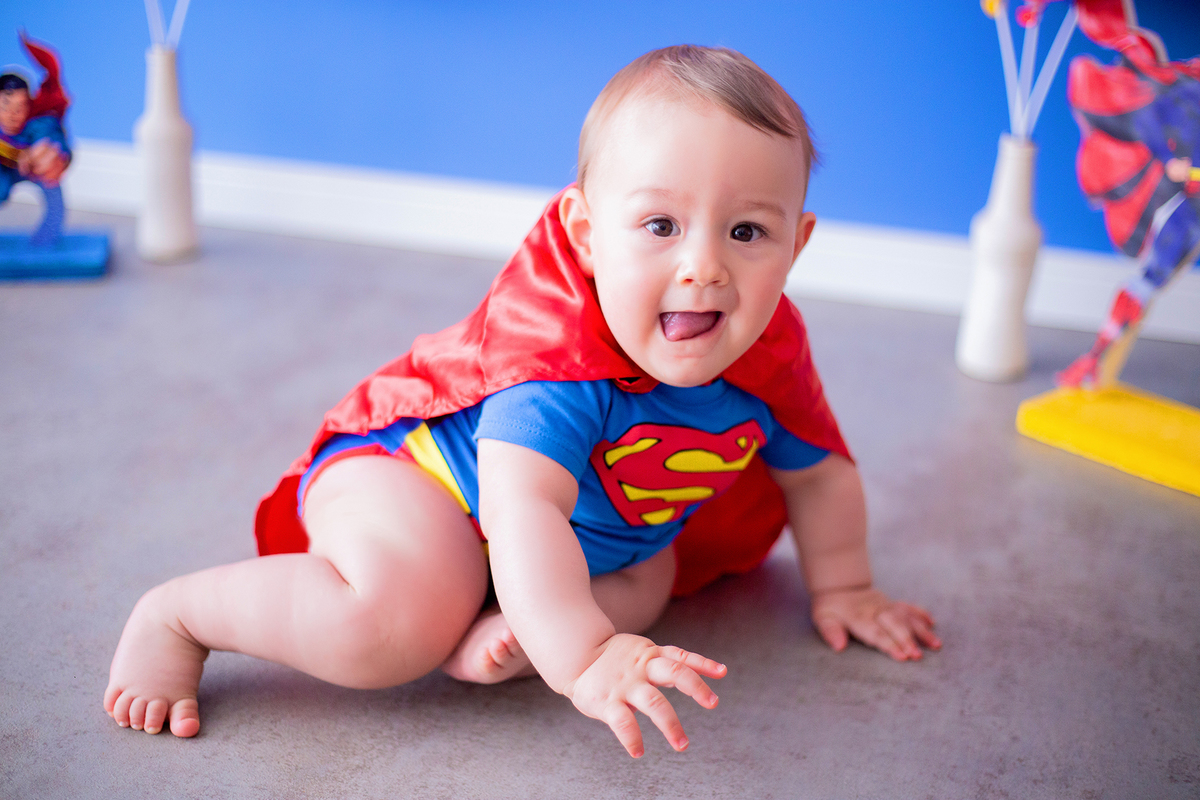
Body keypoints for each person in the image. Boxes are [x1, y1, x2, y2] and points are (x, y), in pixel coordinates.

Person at [104, 45, 940, 757]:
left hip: (592, 530)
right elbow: (523, 510)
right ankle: (180, 615)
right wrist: (584, 659)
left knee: (650, 581)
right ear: (583, 233)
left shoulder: (770, 360)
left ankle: (501, 615)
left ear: (797, 243)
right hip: (424, 482)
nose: (704, 267)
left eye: (747, 232)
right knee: (394, 627)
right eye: (659, 226)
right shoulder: (556, 366)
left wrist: (846, 587)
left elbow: (820, 472)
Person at [0, 33, 71, 245]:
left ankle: (45, 240)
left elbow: (51, 139)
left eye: (20, 108)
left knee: (49, 178)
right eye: (5, 106)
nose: (13, 114)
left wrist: (45, 153)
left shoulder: (38, 123)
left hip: (35, 169)